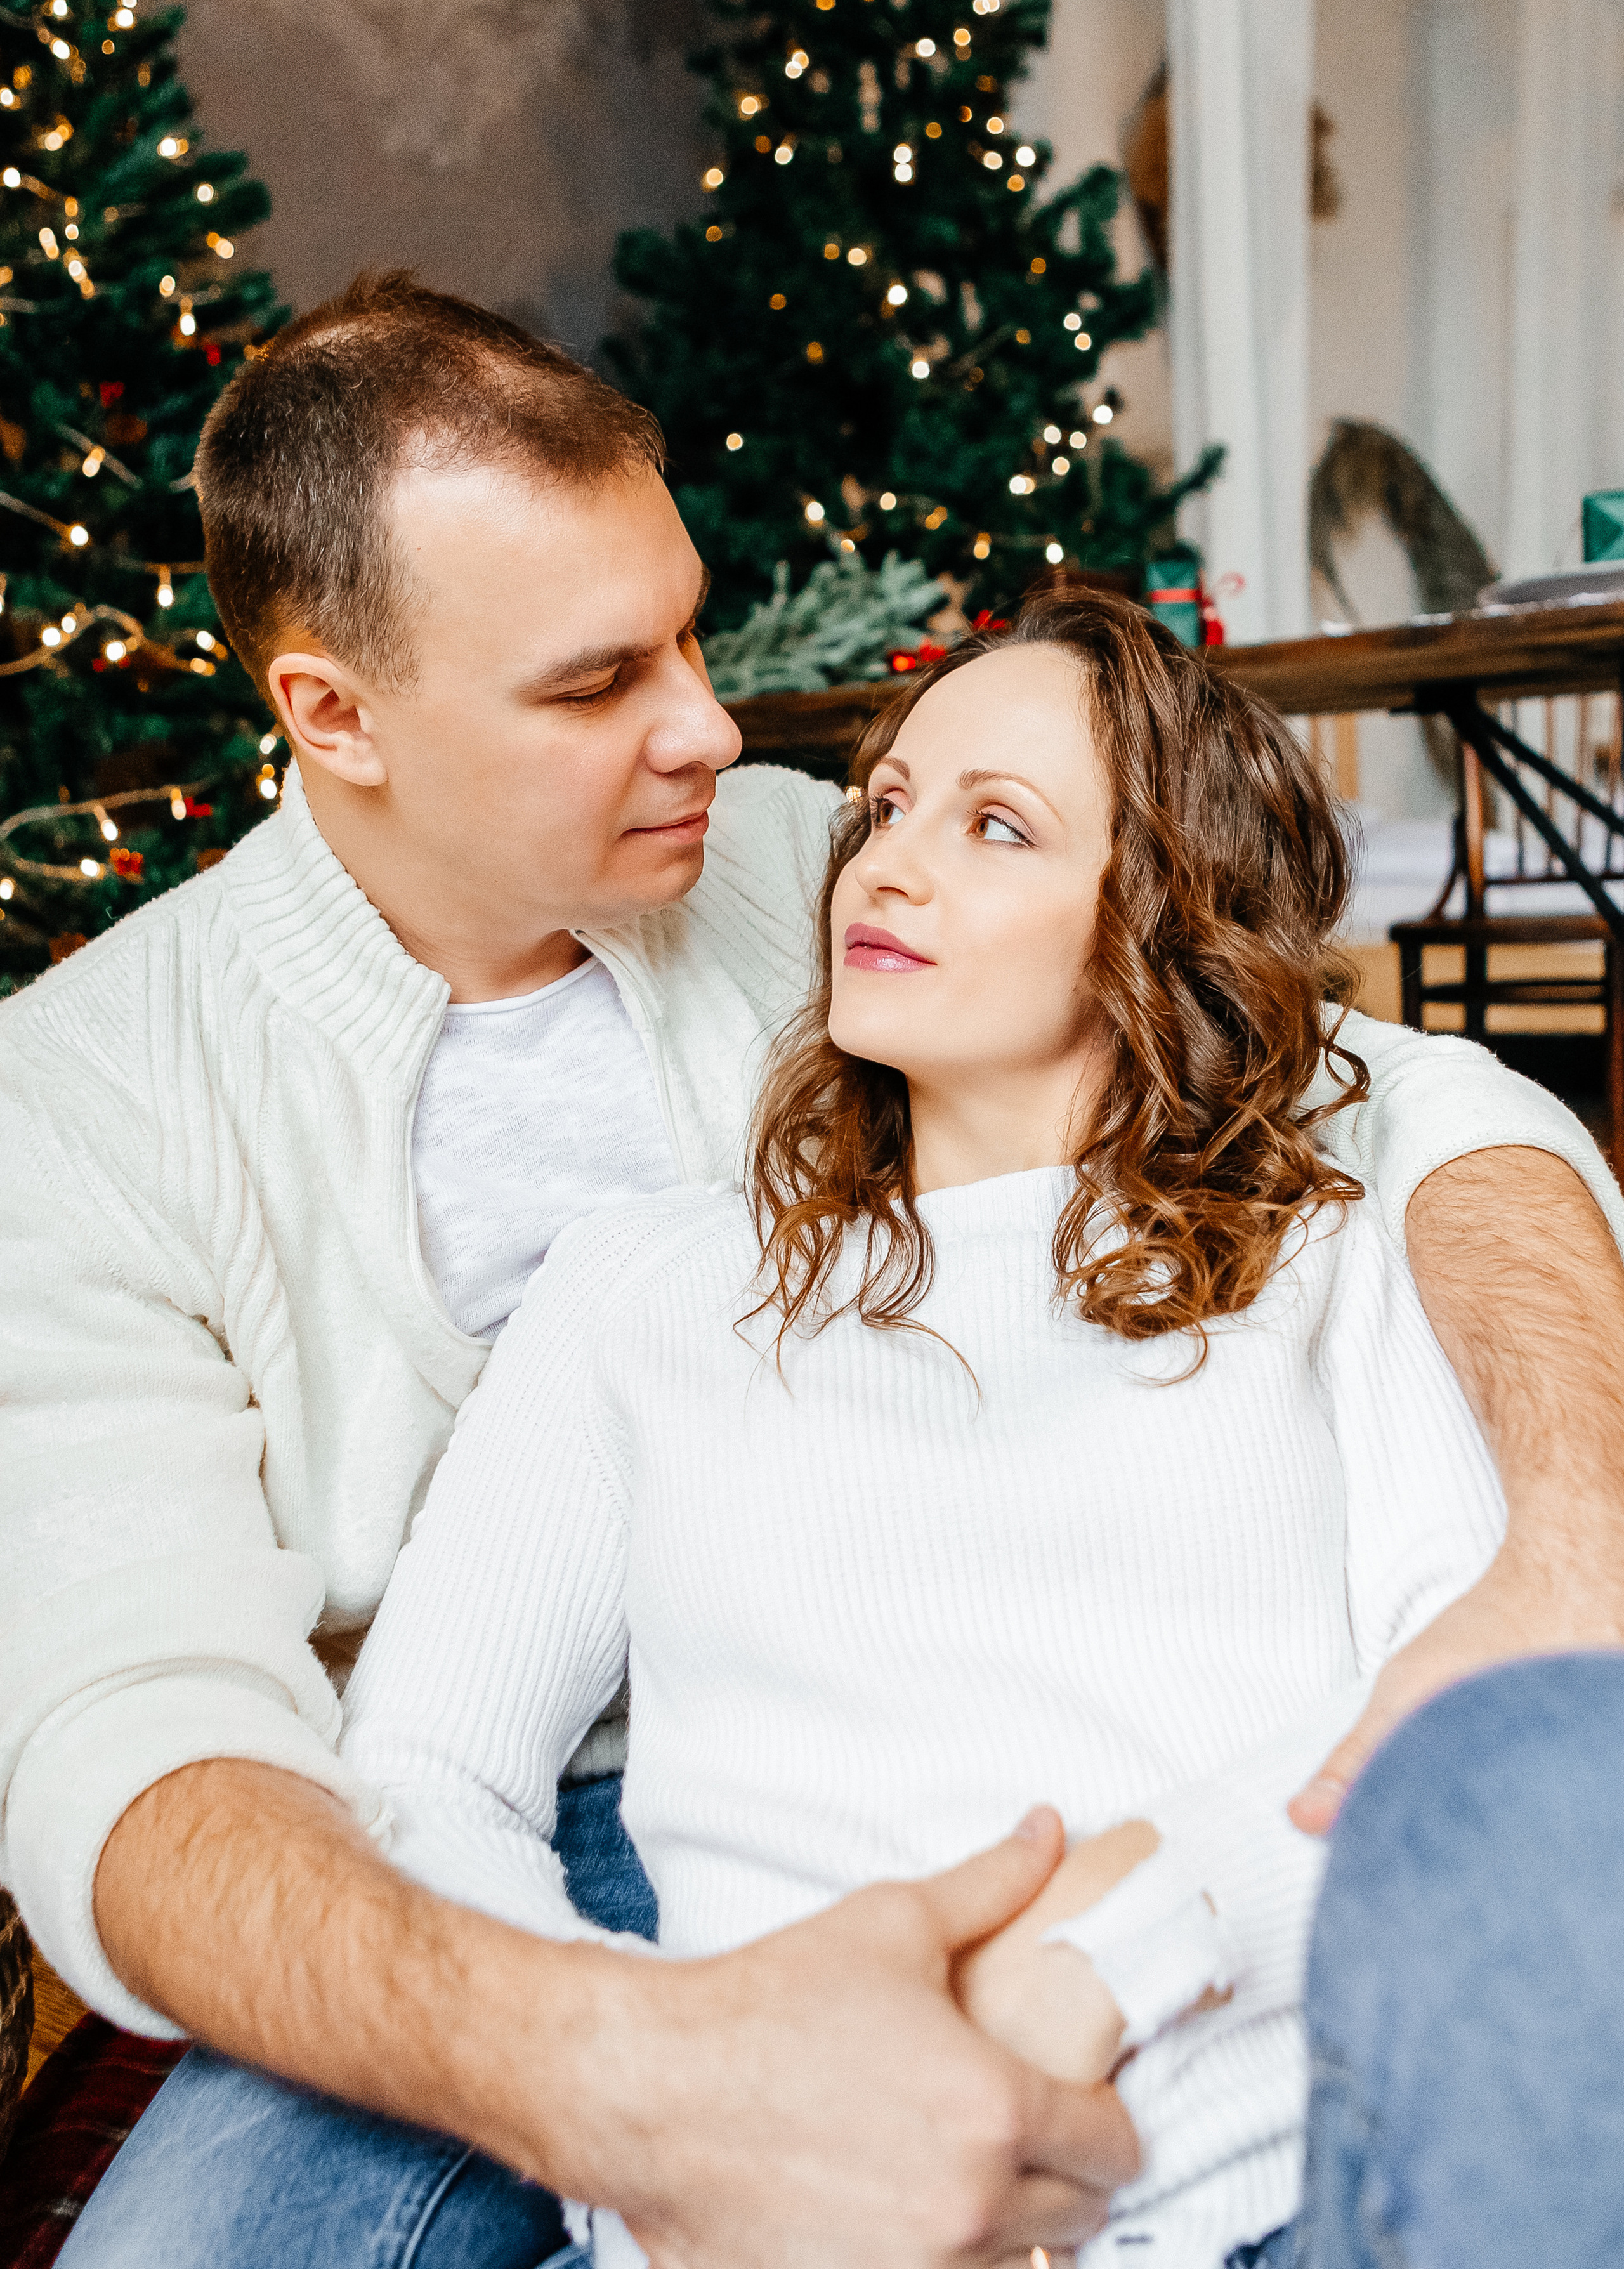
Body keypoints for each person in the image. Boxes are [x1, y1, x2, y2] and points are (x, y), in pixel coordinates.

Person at [4, 273, 1621, 2269]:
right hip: (422, 1853)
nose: (718, 728)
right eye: (598, 686)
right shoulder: (93, 1099)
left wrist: (1580, 1521)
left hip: (1108, 1902)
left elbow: (1380, 1094)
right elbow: (156, 1752)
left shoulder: (798, 869)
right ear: (335, 715)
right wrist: (663, 2105)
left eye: (690, 630)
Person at [334, 605, 1618, 2268]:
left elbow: (1474, 1754)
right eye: (884, 804)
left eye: (995, 824)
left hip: (1264, 2206)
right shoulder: (642, 1288)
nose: (888, 863)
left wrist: (1094, 1968)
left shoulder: (1343, 1246)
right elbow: (425, 1773)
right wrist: (666, 2124)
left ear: (1155, 917)